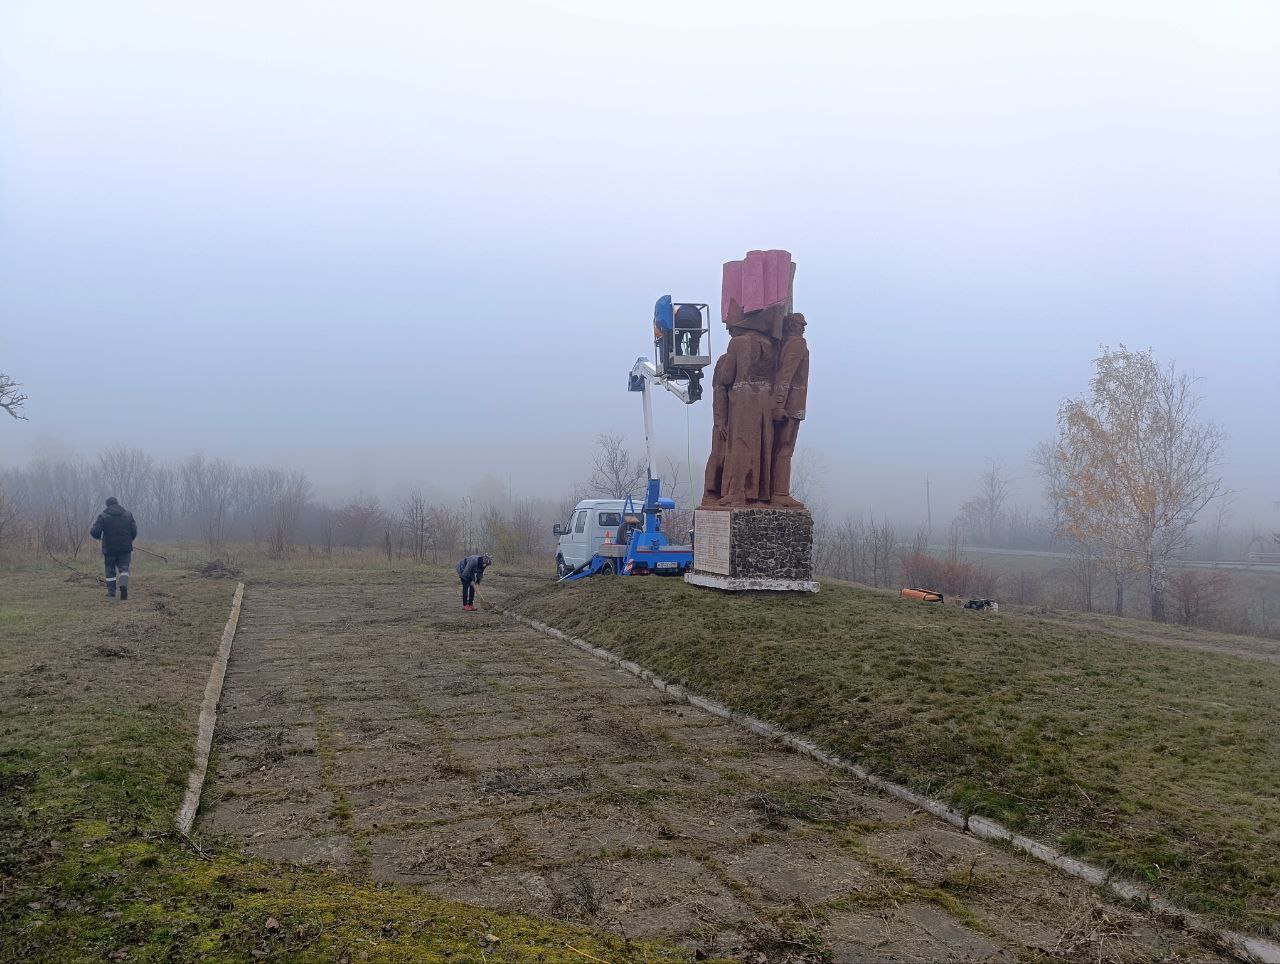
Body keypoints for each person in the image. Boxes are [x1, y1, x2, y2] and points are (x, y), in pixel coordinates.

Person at [90, 497, 137, 600]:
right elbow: (134, 530)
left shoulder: (103, 516)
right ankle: (123, 585)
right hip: (125, 547)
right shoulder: (128, 514)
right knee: (124, 568)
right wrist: (129, 540)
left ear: (107, 505)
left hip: (109, 548)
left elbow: (94, 531)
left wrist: (99, 537)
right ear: (117, 503)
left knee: (110, 570)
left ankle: (111, 593)